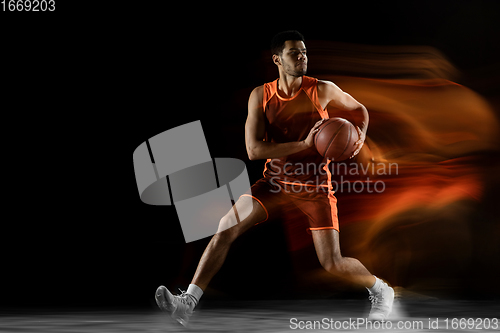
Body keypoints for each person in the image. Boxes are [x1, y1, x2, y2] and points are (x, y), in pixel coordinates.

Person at [155, 30, 394, 326]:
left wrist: (359, 137)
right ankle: (187, 303)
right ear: (277, 59)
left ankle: (381, 290)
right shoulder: (261, 95)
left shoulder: (322, 89)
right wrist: (305, 145)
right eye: (295, 52)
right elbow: (254, 150)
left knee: (331, 263)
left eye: (304, 52)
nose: (302, 56)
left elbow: (359, 110)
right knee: (224, 228)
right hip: (275, 181)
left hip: (315, 187)